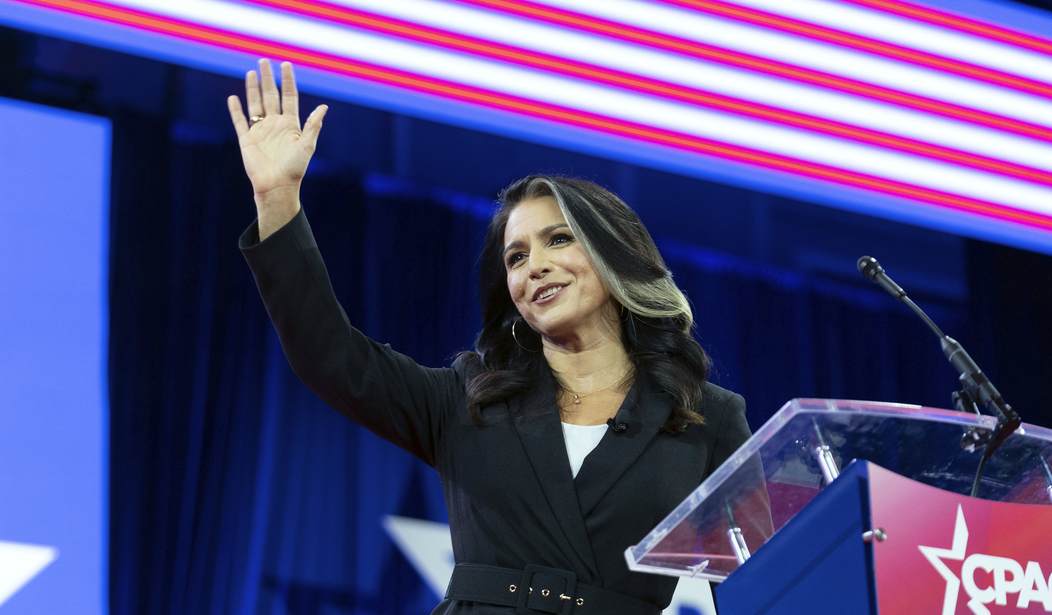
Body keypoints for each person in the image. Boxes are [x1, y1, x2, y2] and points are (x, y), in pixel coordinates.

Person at [228, 58, 751, 615]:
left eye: (558, 240)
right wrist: (277, 200)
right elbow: (329, 354)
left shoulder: (705, 417)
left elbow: (762, 584)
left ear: (614, 253)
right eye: (517, 257)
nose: (536, 267)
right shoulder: (469, 397)